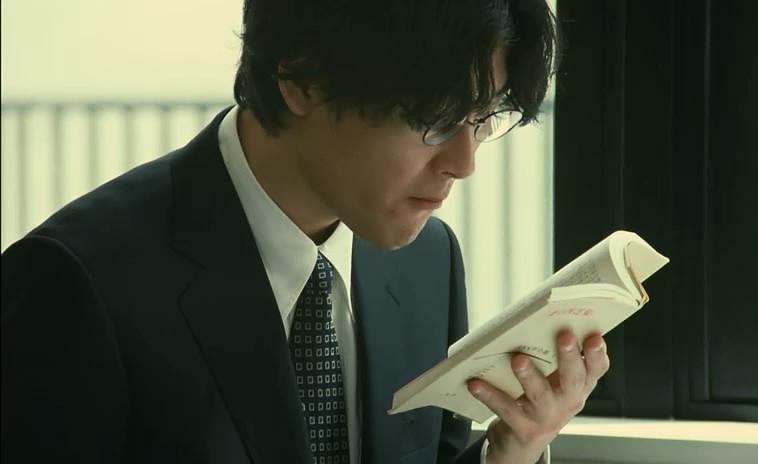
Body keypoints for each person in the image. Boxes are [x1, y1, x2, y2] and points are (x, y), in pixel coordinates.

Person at [1, 1, 610, 463]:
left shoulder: (426, 258)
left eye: (482, 117)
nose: (464, 162)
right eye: (436, 117)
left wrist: (513, 448)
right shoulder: (74, 282)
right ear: (301, 80)